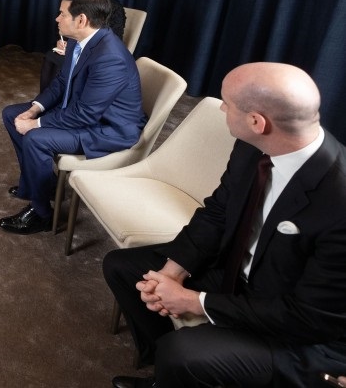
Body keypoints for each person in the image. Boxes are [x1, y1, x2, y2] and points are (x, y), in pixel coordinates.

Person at [104, 63, 346, 388]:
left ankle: (173, 368)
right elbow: (218, 211)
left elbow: (308, 317)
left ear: (257, 121)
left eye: (227, 104)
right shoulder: (253, 145)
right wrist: (172, 273)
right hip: (238, 273)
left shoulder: (339, 200)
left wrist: (194, 301)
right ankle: (163, 373)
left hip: (297, 326)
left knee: (182, 352)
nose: (221, 109)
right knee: (123, 267)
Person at [0, 0, 144, 235]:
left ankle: (42, 214)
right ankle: (42, 185)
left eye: (62, 13)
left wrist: (36, 124)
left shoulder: (110, 57)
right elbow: (61, 83)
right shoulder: (80, 40)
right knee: (11, 113)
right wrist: (35, 108)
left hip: (106, 129)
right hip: (80, 110)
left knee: (35, 138)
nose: (57, 18)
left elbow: (85, 115)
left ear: (81, 20)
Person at [39, 0, 126, 91]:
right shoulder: (74, 1)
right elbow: (61, 27)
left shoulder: (113, 8)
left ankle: (63, 99)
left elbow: (111, 40)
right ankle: (46, 98)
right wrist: (61, 42)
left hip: (95, 54)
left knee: (62, 63)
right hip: (74, 48)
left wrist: (76, 48)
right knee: (52, 56)